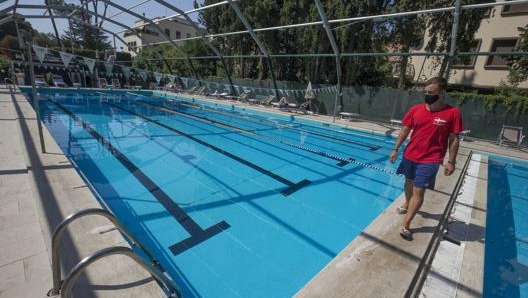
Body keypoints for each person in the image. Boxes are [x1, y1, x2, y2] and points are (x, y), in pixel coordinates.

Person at [389, 77, 464, 241]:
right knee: (408, 182)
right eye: (426, 92)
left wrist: (451, 161)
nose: (427, 95)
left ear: (442, 92)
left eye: (431, 92)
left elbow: (454, 138)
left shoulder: (452, 113)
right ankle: (407, 203)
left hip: (431, 159)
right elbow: (405, 130)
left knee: (419, 189)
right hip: (410, 155)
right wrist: (395, 149)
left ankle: (406, 224)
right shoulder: (416, 109)